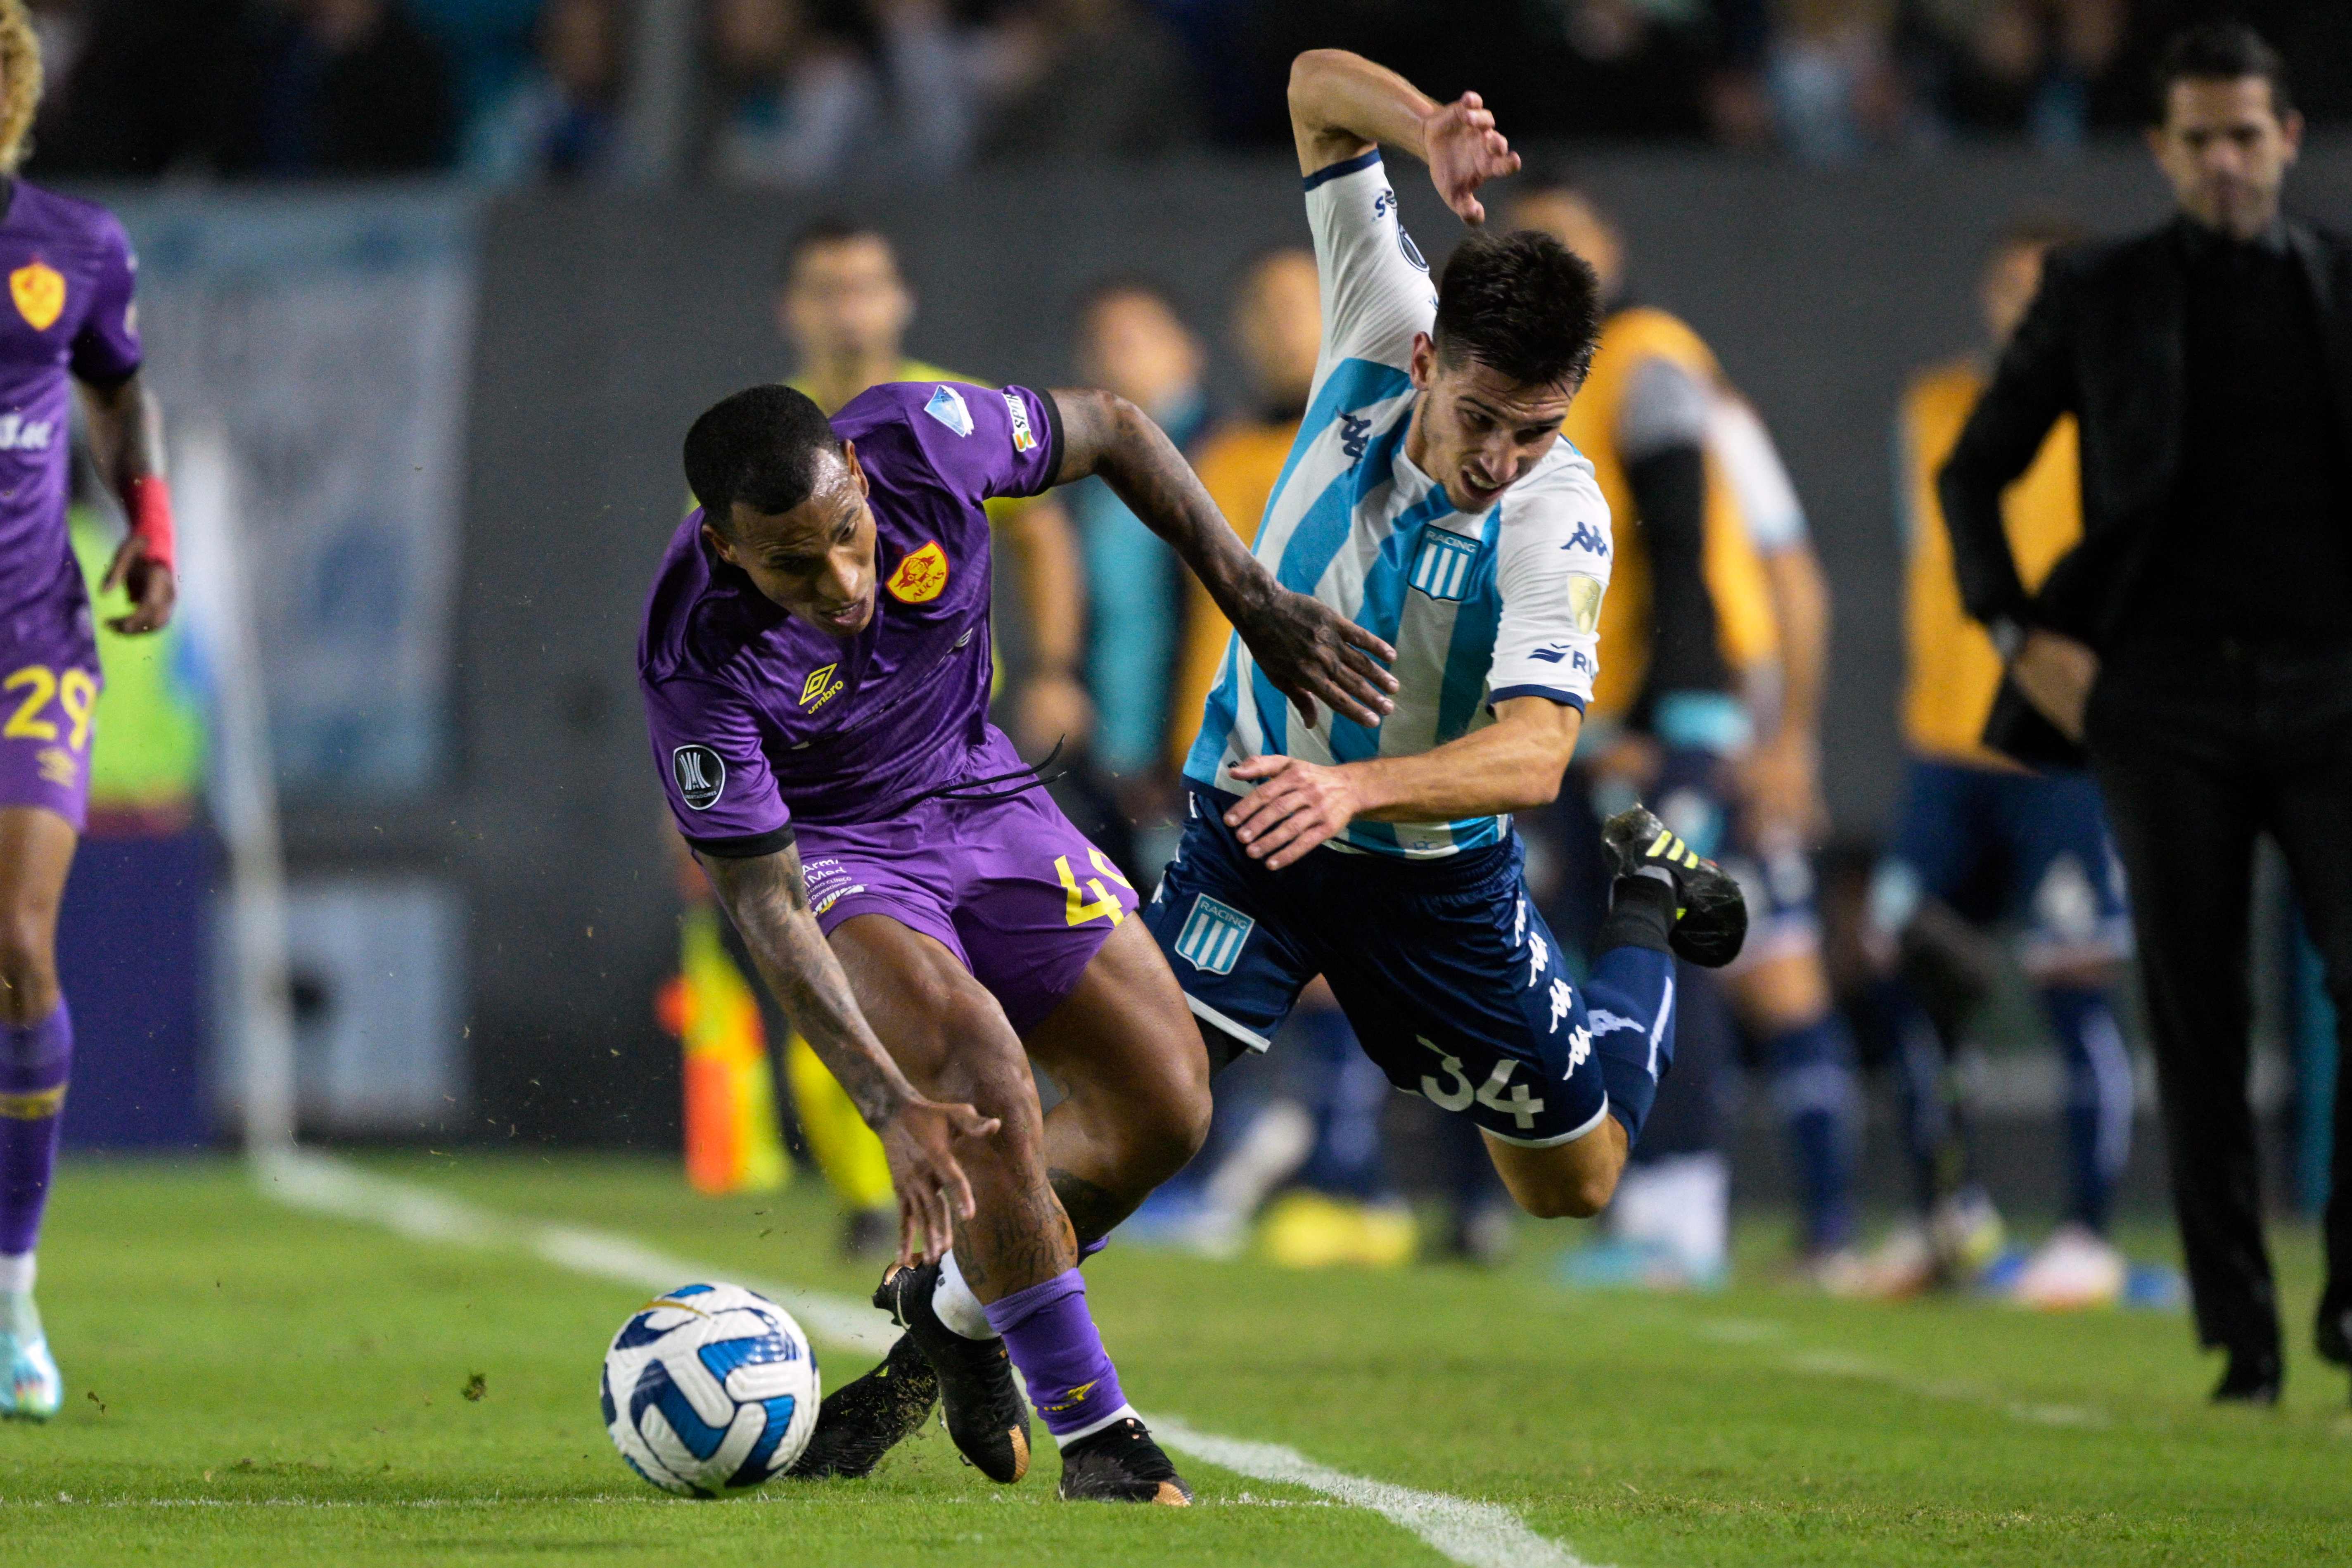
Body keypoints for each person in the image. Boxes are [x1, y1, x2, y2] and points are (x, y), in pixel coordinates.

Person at [639, 372, 1393, 1497]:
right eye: (794, 566)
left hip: (984, 790)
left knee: (1169, 1101)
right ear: (727, 546)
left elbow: (1121, 430)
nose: (843, 582)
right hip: (843, 846)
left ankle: (957, 1318)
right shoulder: (692, 645)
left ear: (856, 472)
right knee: (982, 1067)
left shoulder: (926, 438)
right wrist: (890, 1103)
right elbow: (767, 901)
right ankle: (1100, 1435)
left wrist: (1254, 596)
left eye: (849, 535)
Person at [1143, 48, 1747, 1233]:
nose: (1501, 457)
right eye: (1481, 418)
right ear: (1426, 360)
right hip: (1257, 820)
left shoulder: (1559, 509)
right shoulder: (1382, 312)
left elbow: (1535, 756)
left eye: (1539, 429)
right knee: (1140, 1098)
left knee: (1571, 1183)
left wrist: (1355, 786)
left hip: (1436, 875)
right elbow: (1313, 87)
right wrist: (1427, 127)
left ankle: (1644, 903)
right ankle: (956, 1348)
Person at [1939, 23, 2352, 1404]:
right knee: (2195, 1010)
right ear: (2159, 148)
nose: (2227, 160)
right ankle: (2243, 1336)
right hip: (2157, 697)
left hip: (2328, 685)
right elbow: (1972, 471)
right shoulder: (2099, 290)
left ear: (2285, 137)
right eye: (2200, 139)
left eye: (2248, 135)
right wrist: (2022, 635)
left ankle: (2345, 1293)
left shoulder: (2340, 283)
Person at [1510, 178, 1856, 1288]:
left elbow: (1691, 555)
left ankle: (1685, 1204)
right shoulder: (1558, 382)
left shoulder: (1652, 358)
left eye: (1577, 239)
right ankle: (1653, 1194)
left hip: (1662, 716)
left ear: (1613, 246)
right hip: (1603, 711)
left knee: (1662, 940)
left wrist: (1669, 721)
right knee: (1607, 940)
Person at [767, 217, 1088, 1259]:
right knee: (841, 977)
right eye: (827, 288)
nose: (849, 307)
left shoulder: (945, 411)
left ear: (899, 298)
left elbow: (1041, 527)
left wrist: (1052, 668)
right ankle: (876, 1194)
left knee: (994, 974)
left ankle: (1021, 1166)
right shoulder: (760, 445)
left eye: (866, 284)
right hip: (815, 776)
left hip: (956, 754)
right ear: (795, 311)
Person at [1863, 218, 2135, 1308]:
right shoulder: (1930, 410)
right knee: (1909, 972)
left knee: (2075, 991)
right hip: (1946, 751)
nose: (2021, 305)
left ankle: (2088, 1232)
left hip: (2062, 757)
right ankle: (1950, 1215)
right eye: (2008, 285)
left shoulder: (2119, 417)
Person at [0, 0, 175, 1418]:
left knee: (14, 940)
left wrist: (151, 520)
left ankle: (9, 1296)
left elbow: (121, 394)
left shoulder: (73, 245)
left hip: (29, 635)